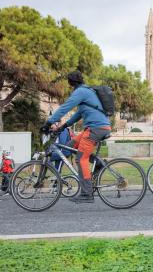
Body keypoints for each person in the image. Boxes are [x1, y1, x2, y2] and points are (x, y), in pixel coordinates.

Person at [40, 71, 111, 203]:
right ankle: (99, 163)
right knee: (69, 145)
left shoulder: (80, 92)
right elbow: (78, 114)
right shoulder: (86, 91)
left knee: (81, 159)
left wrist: (49, 122)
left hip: (96, 128)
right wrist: (63, 126)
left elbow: (65, 108)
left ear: (70, 82)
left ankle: (87, 193)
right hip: (96, 127)